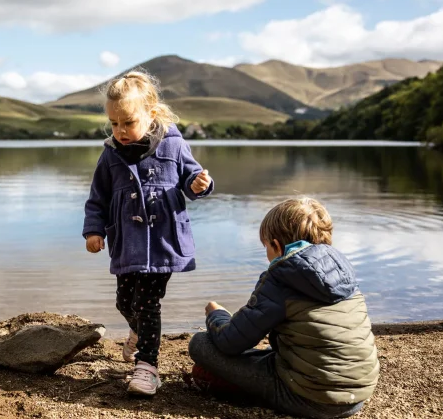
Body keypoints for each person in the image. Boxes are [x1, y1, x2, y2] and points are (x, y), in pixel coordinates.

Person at [83, 69, 214, 396]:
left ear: (151, 114)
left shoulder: (173, 143)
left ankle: (147, 368)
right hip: (126, 243)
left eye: (128, 122)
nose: (121, 131)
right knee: (124, 301)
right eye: (114, 123)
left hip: (163, 241)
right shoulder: (110, 153)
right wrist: (93, 231)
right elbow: (97, 197)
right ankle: (137, 332)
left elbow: (191, 178)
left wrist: (200, 185)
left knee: (148, 302)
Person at [188, 197, 379, 418]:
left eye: (266, 247)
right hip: (358, 395)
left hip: (311, 398)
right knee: (272, 355)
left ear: (276, 246)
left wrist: (217, 315)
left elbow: (230, 342)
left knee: (200, 344)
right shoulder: (343, 272)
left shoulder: (281, 277)